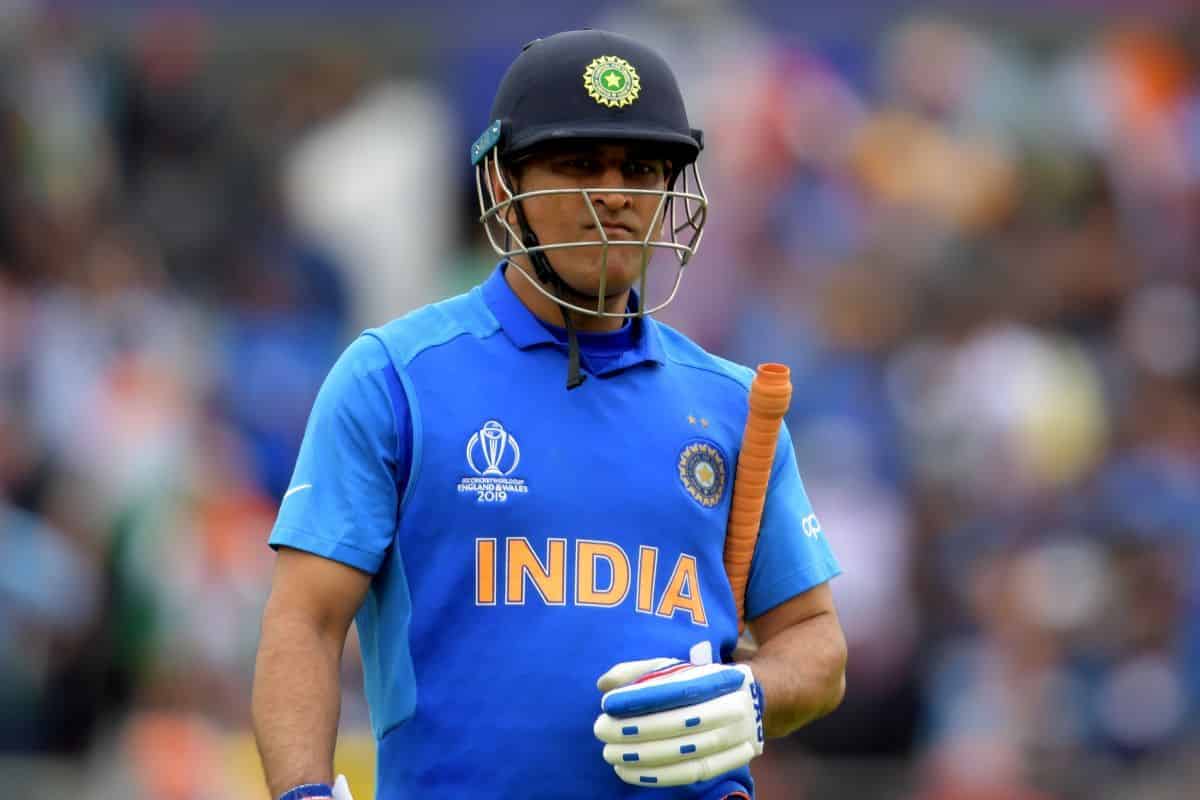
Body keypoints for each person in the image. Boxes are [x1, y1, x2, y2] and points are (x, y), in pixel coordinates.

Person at [252, 29, 846, 800]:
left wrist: (754, 699)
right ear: (503, 185)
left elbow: (815, 641)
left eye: (641, 167)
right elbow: (305, 622)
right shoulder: (395, 377)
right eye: (578, 162)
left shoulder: (730, 404)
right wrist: (301, 794)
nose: (615, 193)